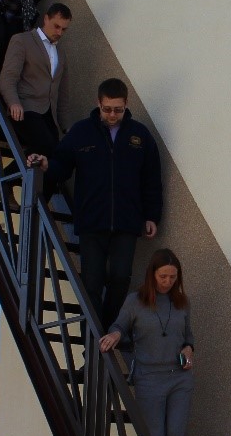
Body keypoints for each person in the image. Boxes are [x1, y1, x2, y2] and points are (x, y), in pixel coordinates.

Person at [28, 78, 162, 330]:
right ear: (98, 103)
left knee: (121, 278)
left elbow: (151, 179)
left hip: (127, 221)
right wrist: (46, 165)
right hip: (91, 221)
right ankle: (91, 339)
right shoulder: (81, 132)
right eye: (107, 109)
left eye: (118, 110)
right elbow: (61, 165)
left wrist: (152, 215)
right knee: (91, 284)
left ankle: (107, 332)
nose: (112, 115)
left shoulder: (140, 135)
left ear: (126, 104)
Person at [99, 249, 195, 436]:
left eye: (173, 277)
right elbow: (119, 325)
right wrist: (115, 334)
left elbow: (188, 336)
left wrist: (189, 348)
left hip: (179, 377)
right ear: (152, 274)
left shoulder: (182, 302)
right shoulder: (135, 301)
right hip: (148, 379)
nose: (167, 282)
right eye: (163, 276)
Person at [0, 2, 71, 161]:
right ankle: (11, 174)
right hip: (26, 108)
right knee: (46, 146)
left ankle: (17, 174)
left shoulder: (61, 52)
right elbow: (8, 77)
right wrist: (13, 102)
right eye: (56, 26)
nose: (59, 32)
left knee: (55, 155)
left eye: (64, 29)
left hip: (49, 114)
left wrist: (66, 126)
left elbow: (62, 92)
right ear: (46, 19)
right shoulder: (22, 40)